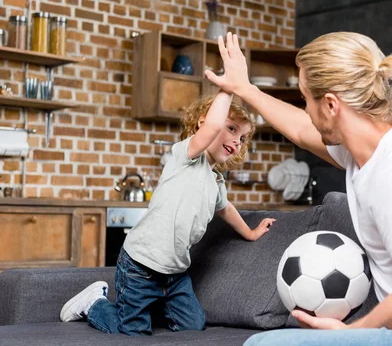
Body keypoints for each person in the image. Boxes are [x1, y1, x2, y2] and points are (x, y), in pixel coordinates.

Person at [205, 32, 392, 346]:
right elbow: (299, 128)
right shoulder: (364, 153)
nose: (306, 110)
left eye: (306, 98)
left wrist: (352, 333)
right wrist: (244, 89)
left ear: (331, 105)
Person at [59, 34, 275, 336]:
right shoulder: (185, 155)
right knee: (132, 333)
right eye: (231, 129)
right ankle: (95, 302)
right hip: (139, 268)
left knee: (193, 326)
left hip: (174, 275)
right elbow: (214, 125)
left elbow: (225, 209)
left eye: (242, 138)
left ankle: (151, 307)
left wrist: (251, 233)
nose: (236, 141)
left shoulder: (215, 181)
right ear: (202, 123)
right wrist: (228, 87)